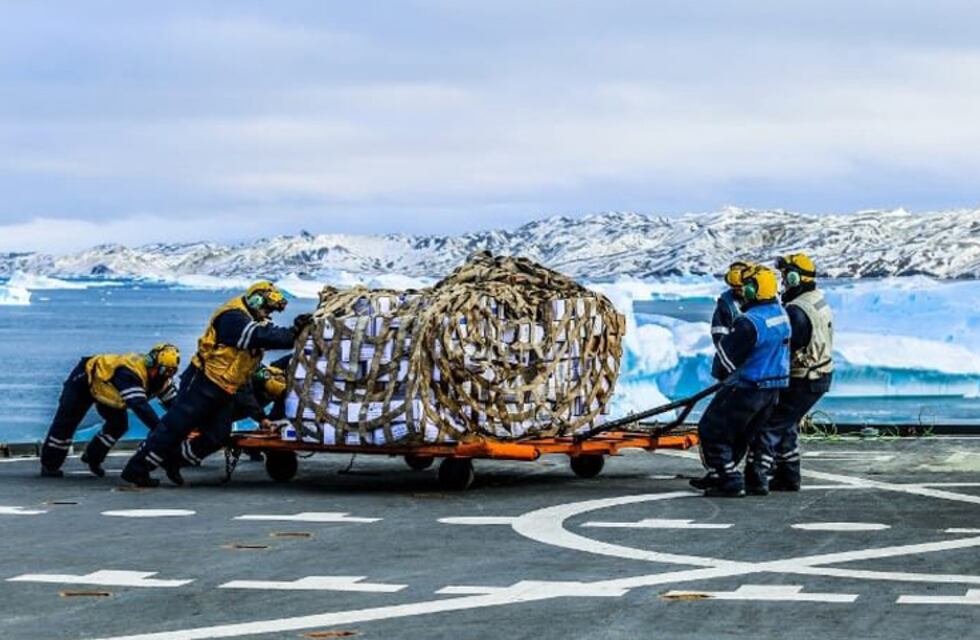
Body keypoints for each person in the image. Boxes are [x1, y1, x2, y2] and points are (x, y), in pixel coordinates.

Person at [121, 282, 311, 487]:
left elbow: (246, 374)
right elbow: (259, 336)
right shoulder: (233, 317)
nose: (268, 314)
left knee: (218, 435)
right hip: (202, 382)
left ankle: (173, 461)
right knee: (174, 427)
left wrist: (259, 416)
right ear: (256, 300)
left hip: (225, 389)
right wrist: (294, 332)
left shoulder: (254, 322)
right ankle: (136, 471)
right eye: (267, 308)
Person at [691, 265, 791, 497]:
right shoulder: (781, 314)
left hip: (748, 386)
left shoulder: (750, 322)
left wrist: (723, 380)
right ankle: (728, 475)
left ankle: (728, 478)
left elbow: (726, 358)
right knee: (744, 433)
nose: (744, 290)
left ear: (758, 289)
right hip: (773, 388)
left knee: (712, 428)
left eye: (749, 286)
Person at [749, 253, 834, 492]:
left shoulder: (798, 310)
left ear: (796, 278)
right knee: (786, 424)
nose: (784, 282)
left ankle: (756, 476)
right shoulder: (817, 300)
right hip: (818, 375)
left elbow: (787, 346)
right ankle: (788, 475)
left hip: (805, 377)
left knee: (769, 424)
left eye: (786, 276)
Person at [39, 344, 181, 478]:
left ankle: (92, 457)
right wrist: (160, 430)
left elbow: (176, 404)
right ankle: (50, 464)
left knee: (118, 425)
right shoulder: (130, 373)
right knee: (66, 422)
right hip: (85, 380)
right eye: (163, 370)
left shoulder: (162, 381)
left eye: (171, 371)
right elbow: (139, 406)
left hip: (109, 392)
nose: (166, 375)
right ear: (151, 363)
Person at [178, 358, 289, 467]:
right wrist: (262, 418)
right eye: (268, 395)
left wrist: (270, 424)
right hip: (213, 399)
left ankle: (255, 448)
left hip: (228, 403)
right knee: (218, 433)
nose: (269, 397)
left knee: (218, 431)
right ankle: (183, 455)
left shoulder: (276, 382)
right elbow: (245, 397)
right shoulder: (245, 375)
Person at [710, 261, 753, 380]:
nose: (739, 288)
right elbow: (719, 339)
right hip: (732, 368)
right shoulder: (726, 305)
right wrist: (733, 369)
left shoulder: (761, 301)